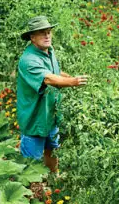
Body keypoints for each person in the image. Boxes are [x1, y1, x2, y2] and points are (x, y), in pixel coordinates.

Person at [16, 16, 88, 175]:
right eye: (42, 33)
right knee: (31, 164)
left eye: (49, 32)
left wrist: (67, 77)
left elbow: (53, 72)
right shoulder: (28, 60)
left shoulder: (49, 52)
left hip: (50, 114)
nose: (47, 36)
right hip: (34, 117)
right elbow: (47, 78)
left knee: (52, 151)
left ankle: (53, 182)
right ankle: (30, 194)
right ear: (32, 37)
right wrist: (72, 82)